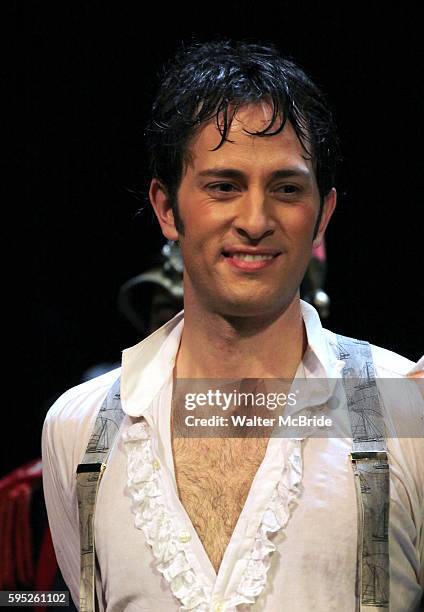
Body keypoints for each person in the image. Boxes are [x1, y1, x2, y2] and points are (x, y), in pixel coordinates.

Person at [42, 40, 423, 611]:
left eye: (287, 189)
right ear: (168, 209)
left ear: (323, 215)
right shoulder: (78, 427)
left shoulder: (408, 410)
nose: (254, 220)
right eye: (223, 186)